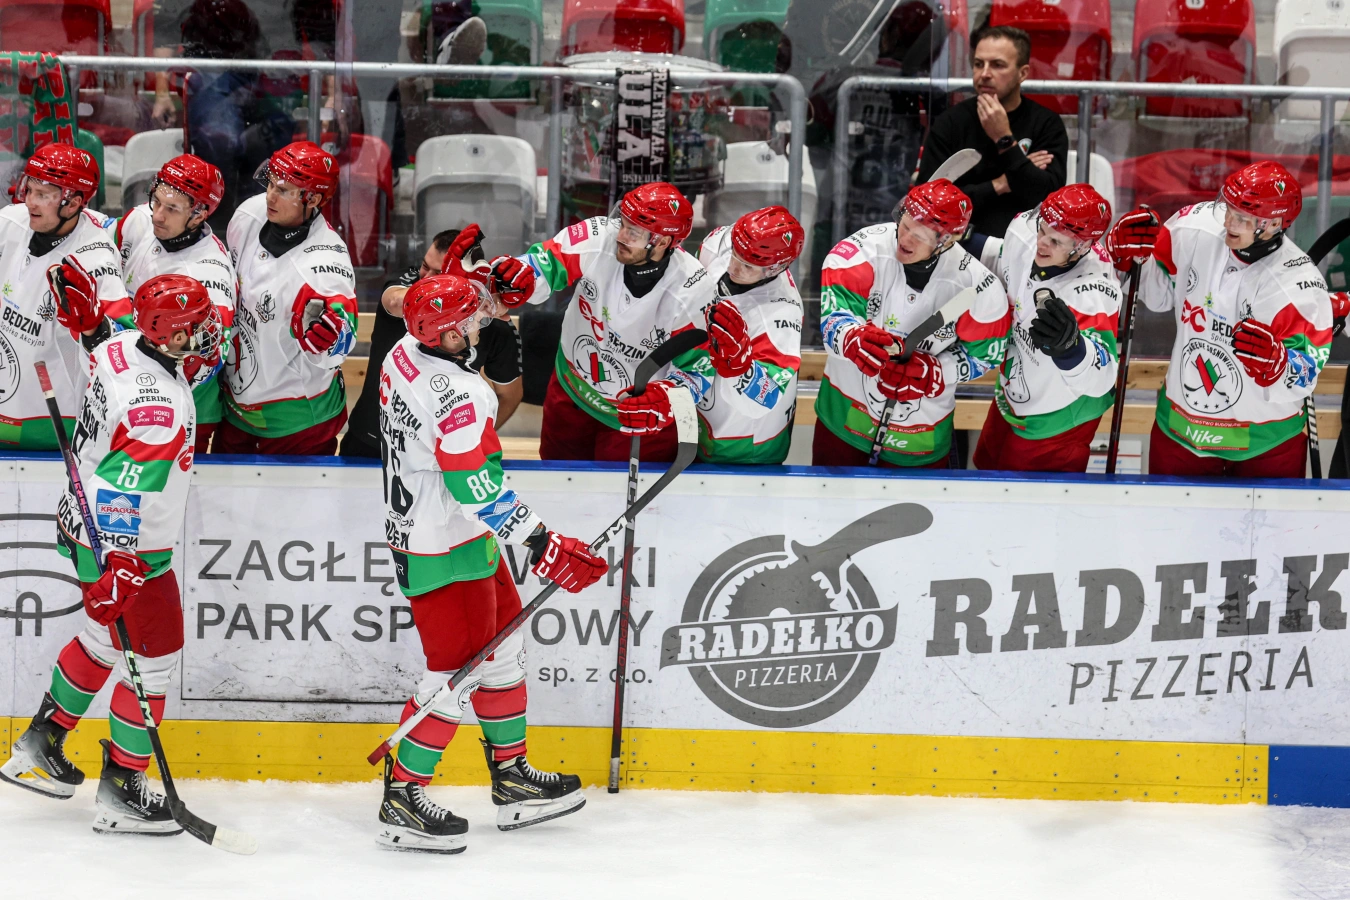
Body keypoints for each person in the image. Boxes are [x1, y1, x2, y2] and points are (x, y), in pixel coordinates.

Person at [376, 273, 606, 853]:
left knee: (503, 648)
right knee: (455, 673)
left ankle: (512, 777)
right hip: (441, 547)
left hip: (459, 534)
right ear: (449, 335)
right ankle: (403, 795)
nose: (481, 322)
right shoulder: (460, 395)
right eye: (470, 320)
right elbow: (474, 485)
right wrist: (543, 541)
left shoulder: (404, 350)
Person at [1, 274, 217, 836]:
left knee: (101, 641)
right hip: (128, 548)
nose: (207, 331)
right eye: (195, 325)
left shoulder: (120, 347)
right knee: (155, 663)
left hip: (82, 528)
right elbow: (122, 491)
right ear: (169, 334)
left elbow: (100, 344)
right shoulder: (158, 410)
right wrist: (121, 566)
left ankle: (41, 742)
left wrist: (93, 324)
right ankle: (123, 787)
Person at [1106, 161, 1334, 478]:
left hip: (1265, 443)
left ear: (1274, 223)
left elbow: (1306, 375)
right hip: (1182, 429)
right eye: (1228, 208)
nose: (1228, 221)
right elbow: (1156, 295)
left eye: (1243, 217)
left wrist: (1279, 365)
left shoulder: (1299, 285)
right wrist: (1125, 258)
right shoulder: (1192, 229)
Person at [489, 182, 746, 462]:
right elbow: (547, 261)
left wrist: (666, 398)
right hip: (571, 396)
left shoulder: (693, 290)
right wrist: (522, 274)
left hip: (636, 417)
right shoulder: (600, 236)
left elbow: (698, 369)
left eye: (634, 232)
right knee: (557, 481)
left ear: (662, 242)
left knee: (623, 491)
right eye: (623, 222)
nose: (621, 235)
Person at [815, 179, 1011, 468]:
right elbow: (835, 316)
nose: (904, 239)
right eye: (904, 225)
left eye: (918, 236)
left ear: (948, 240)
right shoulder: (861, 251)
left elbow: (985, 356)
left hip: (921, 438)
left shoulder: (979, 287)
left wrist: (936, 372)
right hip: (841, 423)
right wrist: (851, 338)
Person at [218, 141, 357, 456]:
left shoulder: (324, 265)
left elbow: (341, 331)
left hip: (297, 422)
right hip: (235, 407)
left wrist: (332, 338)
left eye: (282, 190)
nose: (269, 196)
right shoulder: (249, 215)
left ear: (314, 199)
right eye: (270, 183)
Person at [341, 224, 523, 460]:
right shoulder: (407, 285)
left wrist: (467, 440)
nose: (425, 278)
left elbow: (510, 394)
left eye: (438, 274)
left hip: (432, 455)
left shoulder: (493, 325)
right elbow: (395, 301)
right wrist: (452, 293)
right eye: (424, 266)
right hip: (371, 438)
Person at [974, 184, 1119, 473]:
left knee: (1025, 497)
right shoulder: (1026, 229)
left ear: (1082, 247)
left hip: (1060, 416)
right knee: (986, 471)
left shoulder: (1093, 290)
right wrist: (959, 240)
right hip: (1013, 392)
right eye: (1042, 230)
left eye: (1055, 241)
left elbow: (1102, 378)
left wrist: (1072, 350)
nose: (1041, 243)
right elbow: (1004, 257)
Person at [0, 142, 129, 450]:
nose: (30, 201)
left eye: (43, 195)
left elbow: (121, 347)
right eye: (29, 189)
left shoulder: (95, 261)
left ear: (72, 204)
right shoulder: (10, 222)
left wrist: (95, 328)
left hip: (51, 426)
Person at [117, 154, 235, 453]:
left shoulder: (210, 275)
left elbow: (210, 355)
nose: (157, 215)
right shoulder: (139, 220)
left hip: (184, 408)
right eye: (156, 201)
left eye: (171, 209)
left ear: (198, 215)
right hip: (128, 393)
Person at [676, 206, 805, 465]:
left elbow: (766, 397)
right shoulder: (722, 241)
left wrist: (740, 366)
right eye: (735, 254)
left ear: (775, 268)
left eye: (748, 266)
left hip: (744, 443)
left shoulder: (781, 315)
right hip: (700, 415)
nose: (734, 267)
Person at [915, 25, 1067, 241]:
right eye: (978, 64)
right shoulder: (950, 122)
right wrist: (1001, 184)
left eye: (997, 65)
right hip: (957, 241)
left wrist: (1004, 140)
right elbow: (927, 202)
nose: (984, 74)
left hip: (1025, 243)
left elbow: (1046, 200)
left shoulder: (1046, 124)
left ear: (1022, 73)